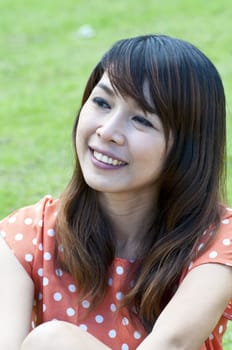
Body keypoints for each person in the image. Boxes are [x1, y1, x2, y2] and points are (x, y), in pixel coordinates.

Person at [0, 34, 232, 350]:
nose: (108, 131)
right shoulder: (26, 237)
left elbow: (172, 344)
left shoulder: (218, 238)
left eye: (141, 120)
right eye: (101, 103)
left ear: (187, 148)